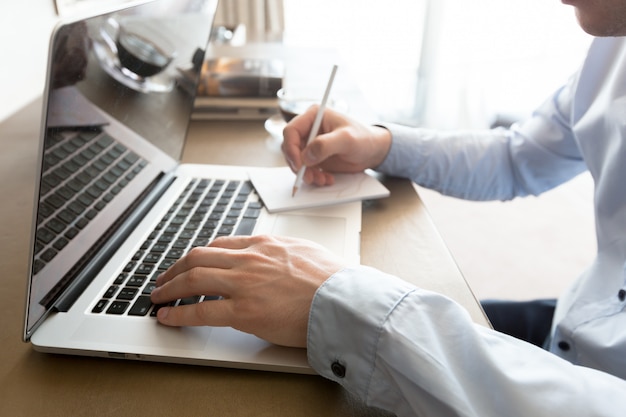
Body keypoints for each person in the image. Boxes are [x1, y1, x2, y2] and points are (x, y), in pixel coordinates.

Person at [150, 1, 626, 415]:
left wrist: (344, 303)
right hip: (576, 320)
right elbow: (518, 158)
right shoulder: (611, 47)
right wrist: (381, 145)